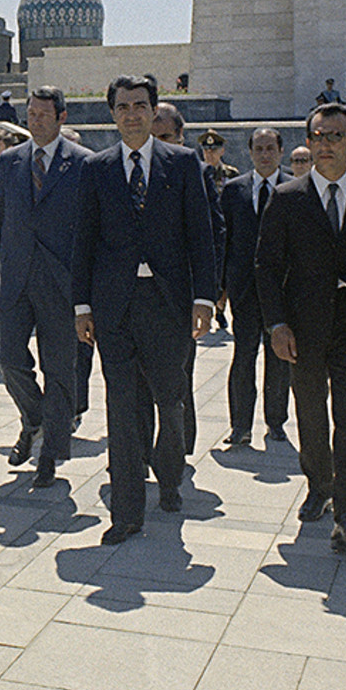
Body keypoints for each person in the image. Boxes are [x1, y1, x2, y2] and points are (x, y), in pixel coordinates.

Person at [72, 75, 216, 543]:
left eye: (140, 105)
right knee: (122, 407)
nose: (131, 114)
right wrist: (82, 305)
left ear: (154, 112)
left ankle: (169, 473)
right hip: (115, 307)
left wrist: (203, 298)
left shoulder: (183, 163)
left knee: (169, 399)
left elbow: (201, 235)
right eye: (122, 106)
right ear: (111, 113)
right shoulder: (97, 168)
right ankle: (127, 511)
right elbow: (84, 241)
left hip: (167, 304)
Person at [256, 102, 346, 552]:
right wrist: (277, 325)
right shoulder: (288, 198)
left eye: (334, 137)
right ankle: (319, 486)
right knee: (310, 414)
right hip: (303, 328)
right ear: (307, 142)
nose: (325, 144)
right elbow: (266, 267)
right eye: (318, 136)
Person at [0, 86, 87, 488]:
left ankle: (50, 455)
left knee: (60, 369)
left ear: (61, 118)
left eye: (44, 114)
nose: (35, 120)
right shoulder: (10, 162)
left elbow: (89, 229)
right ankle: (34, 419)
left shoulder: (83, 163)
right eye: (31, 113)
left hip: (61, 282)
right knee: (9, 358)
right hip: (14, 279)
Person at [151, 101, 224, 453]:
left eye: (165, 136)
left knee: (178, 377)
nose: (158, 143)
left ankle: (177, 448)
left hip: (179, 296)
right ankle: (137, 449)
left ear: (181, 136)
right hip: (135, 295)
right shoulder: (125, 169)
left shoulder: (197, 172)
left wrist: (206, 296)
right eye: (153, 136)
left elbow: (212, 235)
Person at [220, 128, 291, 446]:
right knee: (243, 354)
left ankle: (276, 422)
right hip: (244, 288)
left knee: (279, 356)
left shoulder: (295, 189)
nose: (265, 154)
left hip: (282, 289)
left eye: (270, 148)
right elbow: (224, 241)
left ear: (281, 151)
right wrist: (220, 289)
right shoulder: (234, 190)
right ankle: (240, 425)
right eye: (259, 148)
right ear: (249, 152)